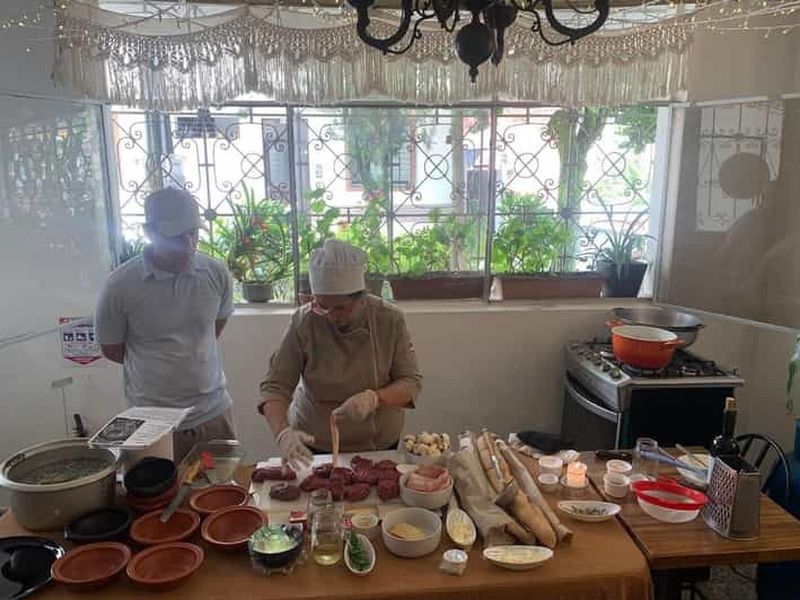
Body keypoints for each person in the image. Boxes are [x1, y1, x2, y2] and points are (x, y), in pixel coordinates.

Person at [94, 188, 236, 462]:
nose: (188, 243)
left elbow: (213, 329)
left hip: (212, 413)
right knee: (157, 499)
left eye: (192, 233)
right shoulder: (120, 286)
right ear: (149, 231)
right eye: (176, 236)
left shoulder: (215, 273)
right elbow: (112, 349)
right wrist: (158, 366)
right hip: (151, 422)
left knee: (221, 493)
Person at [258, 240, 422, 469]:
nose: (329, 315)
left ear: (361, 298)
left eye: (340, 308)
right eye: (321, 305)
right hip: (316, 445)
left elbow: (411, 383)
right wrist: (283, 433)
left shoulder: (388, 319)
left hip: (378, 446)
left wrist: (376, 398)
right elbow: (275, 387)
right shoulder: (303, 322)